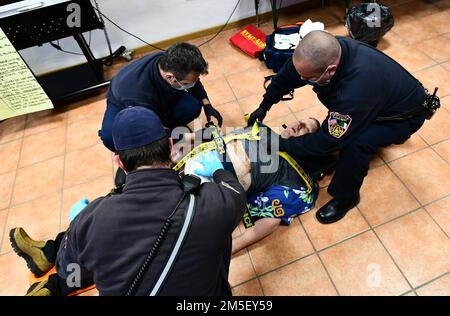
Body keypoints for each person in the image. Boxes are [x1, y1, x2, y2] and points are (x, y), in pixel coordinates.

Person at [11, 106, 245, 296]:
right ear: (171, 147)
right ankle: (46, 260)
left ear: (120, 163)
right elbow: (235, 193)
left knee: (94, 251)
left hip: (99, 250)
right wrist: (217, 171)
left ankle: (50, 269)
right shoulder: (213, 204)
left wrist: (76, 229)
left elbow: (72, 272)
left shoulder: (93, 217)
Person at [247, 30, 428, 224]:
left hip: (402, 117)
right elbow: (288, 76)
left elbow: (327, 142)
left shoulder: (355, 91)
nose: (302, 79)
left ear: (331, 70)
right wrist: (264, 106)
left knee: (357, 143)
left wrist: (280, 144)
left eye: (307, 78)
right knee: (349, 119)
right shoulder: (325, 51)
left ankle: (347, 197)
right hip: (382, 100)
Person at [173, 117, 324, 254]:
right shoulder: (262, 130)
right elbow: (219, 134)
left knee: (173, 221)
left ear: (309, 142)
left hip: (213, 188)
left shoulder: (291, 175)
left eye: (305, 128)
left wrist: (228, 249)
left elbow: (272, 220)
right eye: (300, 121)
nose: (298, 124)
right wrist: (186, 139)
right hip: (195, 159)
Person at [99, 42, 223, 153]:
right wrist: (197, 137)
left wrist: (206, 104)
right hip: (124, 103)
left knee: (192, 107)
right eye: (186, 83)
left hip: (155, 98)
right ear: (170, 77)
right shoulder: (137, 94)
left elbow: (193, 81)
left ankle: (172, 128)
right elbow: (154, 128)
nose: (190, 85)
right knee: (111, 137)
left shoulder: (170, 62)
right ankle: (128, 157)